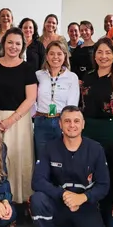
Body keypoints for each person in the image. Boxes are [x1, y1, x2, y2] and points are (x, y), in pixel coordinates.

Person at [30, 106, 112, 227]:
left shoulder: (96, 149)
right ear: (60, 124)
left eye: (76, 121)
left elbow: (104, 185)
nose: (72, 125)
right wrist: (63, 194)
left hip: (85, 207)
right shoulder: (49, 148)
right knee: (37, 200)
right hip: (59, 205)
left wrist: (82, 198)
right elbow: (37, 181)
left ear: (83, 124)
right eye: (67, 121)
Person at [0, 28, 39, 207]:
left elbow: (31, 98)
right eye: (10, 42)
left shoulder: (27, 68)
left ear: (23, 46)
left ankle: (19, 201)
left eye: (18, 43)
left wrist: (11, 120)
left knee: (18, 159)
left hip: (19, 120)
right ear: (3, 43)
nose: (13, 46)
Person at [79, 37, 113, 149]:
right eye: (99, 52)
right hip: (87, 128)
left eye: (108, 53)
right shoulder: (88, 76)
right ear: (94, 55)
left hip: (111, 129)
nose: (103, 56)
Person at [33, 39, 79, 167]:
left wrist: (67, 123)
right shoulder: (38, 75)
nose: (55, 57)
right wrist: (34, 113)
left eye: (59, 54)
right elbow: (32, 98)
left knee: (62, 160)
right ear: (46, 56)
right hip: (41, 122)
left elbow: (72, 105)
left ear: (65, 56)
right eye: (52, 54)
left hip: (61, 122)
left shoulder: (71, 77)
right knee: (42, 159)